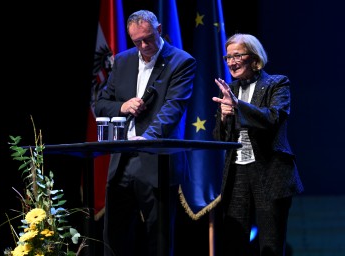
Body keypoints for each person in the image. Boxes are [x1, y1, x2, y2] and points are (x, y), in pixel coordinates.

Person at [94, 10, 196, 256]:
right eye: (137, 41)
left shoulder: (181, 61)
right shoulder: (124, 60)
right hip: (121, 161)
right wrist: (123, 106)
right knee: (114, 238)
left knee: (158, 240)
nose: (143, 45)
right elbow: (100, 104)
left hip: (156, 161)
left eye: (148, 38)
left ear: (159, 30)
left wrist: (147, 138)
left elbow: (172, 109)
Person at [212, 33, 304, 256]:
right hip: (237, 174)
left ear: (254, 58)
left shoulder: (277, 83)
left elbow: (273, 118)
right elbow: (220, 138)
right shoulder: (230, 90)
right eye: (228, 57)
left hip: (269, 172)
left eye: (237, 56)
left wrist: (238, 106)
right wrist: (224, 119)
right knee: (235, 243)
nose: (232, 62)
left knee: (270, 246)